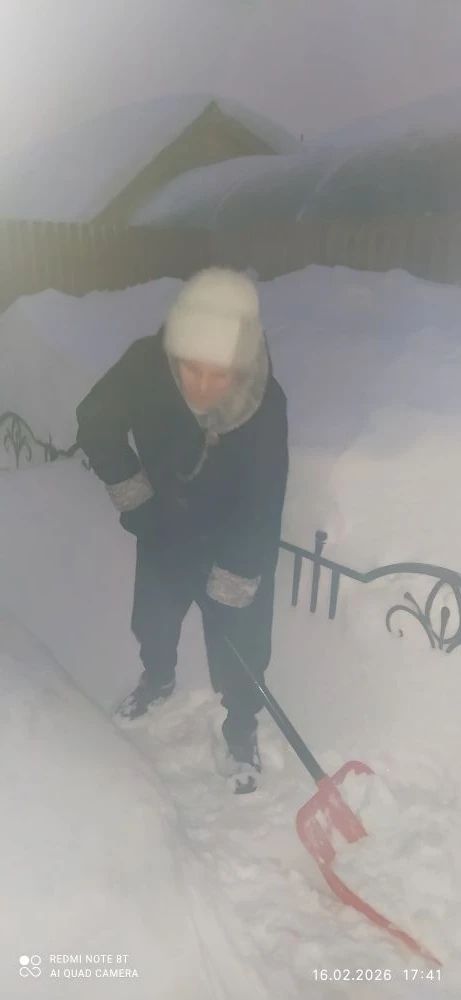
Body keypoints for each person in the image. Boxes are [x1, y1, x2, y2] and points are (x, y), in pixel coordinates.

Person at [76, 267, 288, 793]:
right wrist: (135, 494)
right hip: (165, 521)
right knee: (154, 615)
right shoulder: (147, 364)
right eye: (191, 368)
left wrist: (237, 569)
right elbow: (96, 418)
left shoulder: (265, 401)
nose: (202, 386)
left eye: (220, 374)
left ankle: (241, 724)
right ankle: (157, 676)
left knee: (241, 639)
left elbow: (265, 495)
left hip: (230, 532)